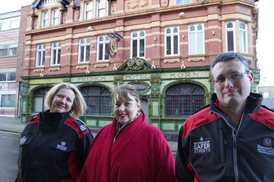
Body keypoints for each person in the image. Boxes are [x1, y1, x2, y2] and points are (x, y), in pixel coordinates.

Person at [175, 52, 274, 181]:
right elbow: (182, 176)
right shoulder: (192, 126)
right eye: (221, 79)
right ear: (214, 84)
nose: (228, 84)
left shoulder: (270, 123)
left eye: (235, 75)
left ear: (250, 77)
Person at [78, 84, 176, 182]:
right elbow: (88, 168)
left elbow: (166, 174)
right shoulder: (103, 132)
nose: (121, 109)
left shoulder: (153, 135)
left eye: (127, 104)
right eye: (117, 104)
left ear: (138, 106)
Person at [16, 83, 94, 182]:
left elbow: (89, 168)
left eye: (68, 99)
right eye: (60, 96)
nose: (63, 101)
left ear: (73, 106)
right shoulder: (33, 123)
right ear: (52, 97)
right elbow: (22, 163)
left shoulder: (79, 131)